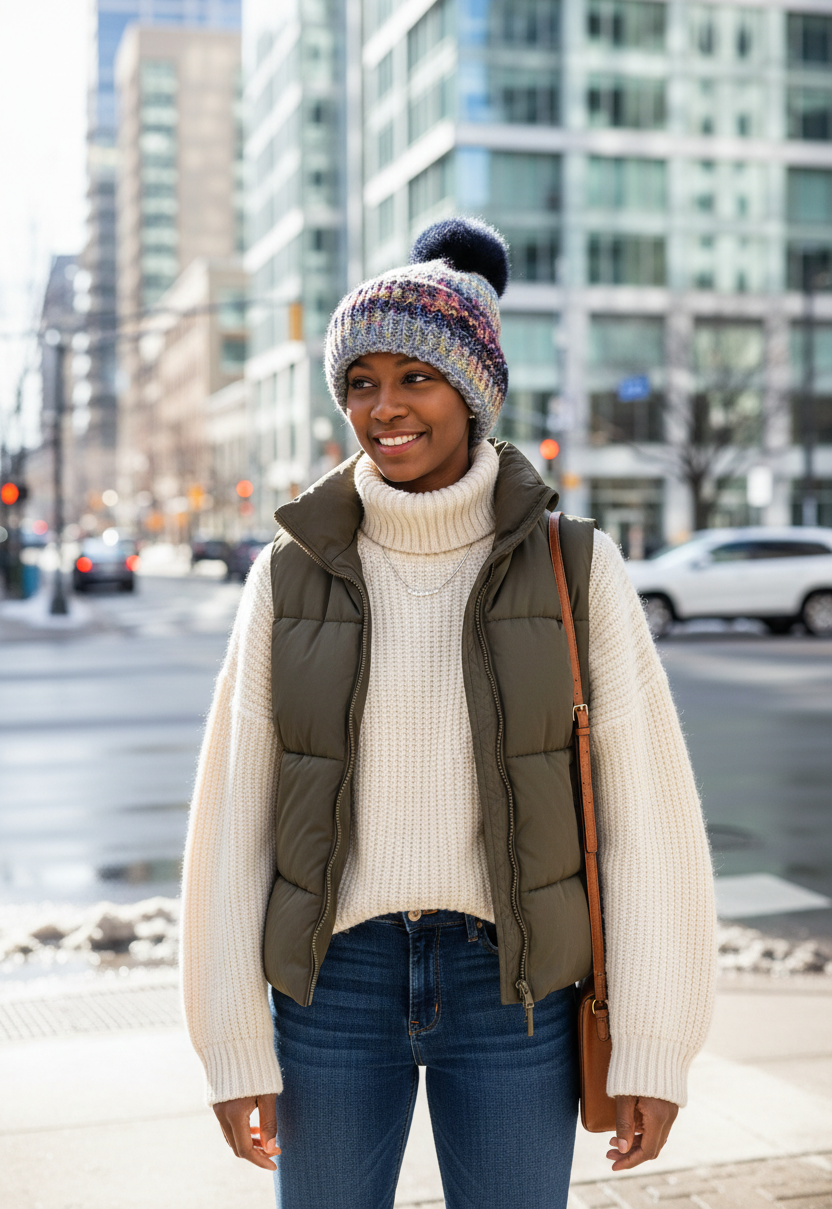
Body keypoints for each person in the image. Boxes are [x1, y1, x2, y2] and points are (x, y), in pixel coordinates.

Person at [181, 218, 716, 1209]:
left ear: (472, 391)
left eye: (413, 378)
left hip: (510, 991)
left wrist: (653, 1042)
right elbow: (233, 822)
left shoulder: (576, 568)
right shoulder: (290, 574)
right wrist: (229, 1044)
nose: (383, 408)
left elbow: (648, 825)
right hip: (331, 987)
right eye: (360, 382)